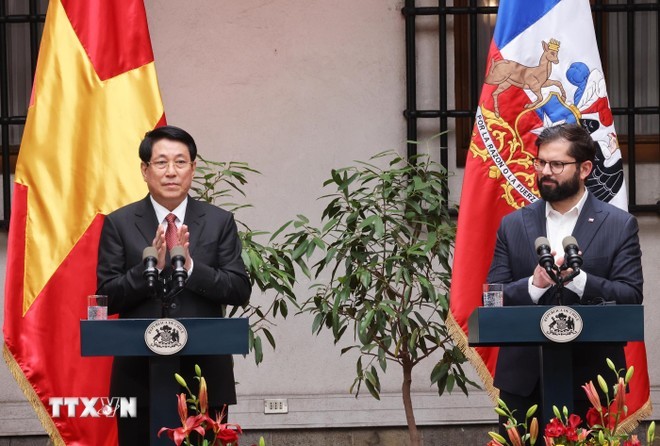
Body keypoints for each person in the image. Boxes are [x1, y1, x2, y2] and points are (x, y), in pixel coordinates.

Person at [96, 125, 251, 445]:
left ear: (193, 169)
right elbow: (106, 298)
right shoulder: (119, 223)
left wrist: (191, 266)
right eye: (161, 162)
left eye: (180, 162)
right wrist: (150, 266)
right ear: (145, 169)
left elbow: (239, 289)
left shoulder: (219, 221)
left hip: (204, 374)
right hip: (136, 377)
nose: (171, 172)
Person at [487, 123, 643, 430]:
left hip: (592, 384)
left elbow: (630, 295)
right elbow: (494, 296)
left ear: (584, 168)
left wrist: (580, 280)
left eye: (557, 164)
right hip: (524, 383)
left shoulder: (618, 225)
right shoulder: (513, 225)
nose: (545, 170)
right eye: (540, 162)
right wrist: (535, 284)